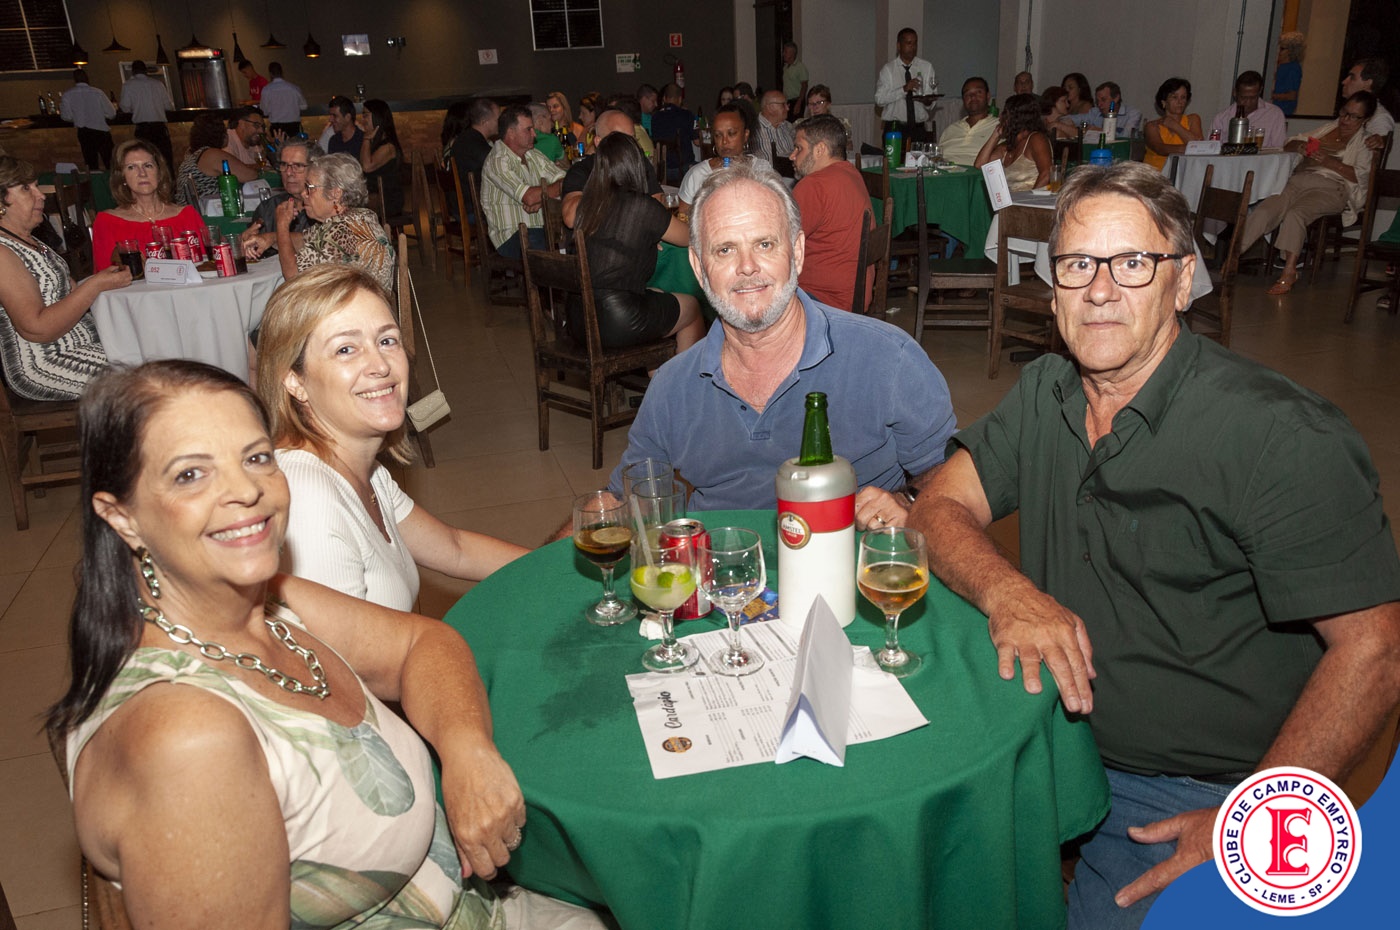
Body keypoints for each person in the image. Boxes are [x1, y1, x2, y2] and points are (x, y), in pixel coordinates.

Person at [906, 160, 1400, 929]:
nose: (1100, 289)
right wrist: (1009, 592)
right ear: (1053, 288)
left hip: (1199, 789)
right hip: (1050, 740)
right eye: (1077, 265)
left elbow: (1377, 649)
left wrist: (1250, 823)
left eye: (1133, 262)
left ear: (1183, 281)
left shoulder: (1279, 436)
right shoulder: (1047, 391)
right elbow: (936, 505)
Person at [48, 359, 606, 930]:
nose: (246, 490)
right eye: (191, 474)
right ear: (121, 517)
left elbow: (423, 643)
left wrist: (467, 752)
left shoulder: (265, 602)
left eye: (256, 457)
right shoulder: (186, 740)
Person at [606, 160, 956, 525]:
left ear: (797, 252)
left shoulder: (887, 358)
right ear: (698, 266)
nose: (747, 266)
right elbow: (623, 500)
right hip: (722, 560)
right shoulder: (672, 386)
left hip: (844, 556)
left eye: (764, 244)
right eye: (725, 250)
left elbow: (954, 476)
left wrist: (908, 500)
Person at [256, 267, 528, 611]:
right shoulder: (307, 496)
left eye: (387, 341)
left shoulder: (366, 472)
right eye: (345, 349)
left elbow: (455, 548)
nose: (381, 365)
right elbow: (348, 647)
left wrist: (560, 568)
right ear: (294, 381)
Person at [0, 157, 128, 400]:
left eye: (36, 186)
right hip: (44, 362)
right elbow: (36, 329)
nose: (41, 195)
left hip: (79, 344)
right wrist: (96, 284)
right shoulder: (2, 252)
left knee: (155, 351)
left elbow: (67, 295)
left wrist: (102, 279)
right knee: (146, 378)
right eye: (26, 188)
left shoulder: (30, 240)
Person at [571, 134, 704, 352]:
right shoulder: (642, 206)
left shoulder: (587, 206)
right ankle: (687, 375)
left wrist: (649, 235)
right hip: (617, 318)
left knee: (658, 295)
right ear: (637, 165)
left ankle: (657, 373)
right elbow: (690, 237)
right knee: (692, 309)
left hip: (579, 319)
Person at [1238, 91, 1377, 296]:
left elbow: (1362, 177)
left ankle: (1289, 271)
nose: (1345, 120)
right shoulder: (1328, 129)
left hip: (1331, 188)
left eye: (1353, 116)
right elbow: (1290, 143)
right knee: (1265, 209)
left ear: (1365, 119)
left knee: (1296, 213)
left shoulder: (1365, 142)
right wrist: (1301, 146)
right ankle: (1232, 258)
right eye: (1344, 112)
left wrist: (1329, 162)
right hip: (1298, 181)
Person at [276, 153, 395, 290]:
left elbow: (293, 276)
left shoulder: (340, 232)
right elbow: (304, 239)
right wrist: (268, 239)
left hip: (353, 303)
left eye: (309, 188)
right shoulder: (362, 216)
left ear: (335, 194)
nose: (304, 194)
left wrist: (282, 225)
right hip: (371, 300)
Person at [792, 115, 871, 312]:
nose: (792, 156)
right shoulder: (852, 173)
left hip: (824, 300)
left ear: (820, 149)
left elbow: (781, 242)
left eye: (799, 148)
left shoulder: (813, 185)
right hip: (856, 295)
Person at [92, 140, 205, 271]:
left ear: (159, 173)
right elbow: (105, 276)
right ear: (122, 177)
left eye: (148, 165)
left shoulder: (186, 215)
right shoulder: (107, 222)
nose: (142, 173)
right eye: (131, 167)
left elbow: (205, 266)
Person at [482, 105, 565, 259]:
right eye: (528, 129)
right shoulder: (498, 161)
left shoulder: (532, 154)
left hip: (540, 230)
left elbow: (565, 179)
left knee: (576, 236)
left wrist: (542, 199)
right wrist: (544, 195)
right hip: (511, 237)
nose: (534, 134)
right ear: (511, 133)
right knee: (550, 246)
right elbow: (529, 197)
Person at [561, 107, 661, 228]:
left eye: (632, 139)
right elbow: (571, 218)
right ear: (599, 142)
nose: (629, 146)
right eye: (619, 140)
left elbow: (658, 203)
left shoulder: (641, 163)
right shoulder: (582, 170)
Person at [241, 139, 320, 260]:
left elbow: (320, 240)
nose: (288, 172)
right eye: (284, 165)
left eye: (298, 166)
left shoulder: (325, 208)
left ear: (316, 169)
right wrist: (246, 242)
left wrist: (273, 238)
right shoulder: (268, 207)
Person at [677, 103, 752, 216]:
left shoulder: (760, 170)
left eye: (731, 134)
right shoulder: (698, 175)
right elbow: (683, 218)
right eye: (718, 135)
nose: (724, 141)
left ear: (745, 135)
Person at [174, 113, 259, 206]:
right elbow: (250, 175)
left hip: (191, 210)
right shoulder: (212, 154)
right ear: (219, 134)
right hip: (205, 211)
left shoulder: (193, 153)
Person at [974, 93, 1053, 191]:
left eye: (1005, 113)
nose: (1000, 117)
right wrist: (996, 135)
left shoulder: (1036, 139)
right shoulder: (1006, 147)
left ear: (1016, 117)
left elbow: (1046, 174)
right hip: (1011, 199)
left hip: (1031, 198)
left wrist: (1028, 198)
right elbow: (979, 165)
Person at [876, 27, 936, 142]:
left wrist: (928, 101)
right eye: (908, 43)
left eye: (915, 43)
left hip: (918, 128)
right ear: (899, 46)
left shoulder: (926, 67)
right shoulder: (888, 69)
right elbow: (879, 99)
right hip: (895, 128)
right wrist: (904, 89)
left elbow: (931, 100)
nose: (912, 47)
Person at [118, 60, 175, 172]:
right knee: (165, 160)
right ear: (146, 71)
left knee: (146, 161)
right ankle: (169, 182)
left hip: (143, 129)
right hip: (159, 128)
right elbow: (169, 106)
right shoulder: (158, 84)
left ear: (133, 71)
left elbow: (125, 108)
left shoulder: (128, 86)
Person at [1208, 70, 1288, 148]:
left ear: (1260, 92)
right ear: (1235, 93)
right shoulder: (1221, 118)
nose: (1248, 103)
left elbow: (1279, 149)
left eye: (1253, 98)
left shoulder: (1274, 114)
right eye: (1243, 98)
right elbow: (1211, 149)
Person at [443, 97, 499, 201]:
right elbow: (499, 166)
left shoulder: (466, 137)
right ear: (484, 122)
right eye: (497, 119)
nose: (500, 123)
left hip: (461, 202)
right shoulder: (475, 144)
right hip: (472, 206)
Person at [60, 69, 115, 170]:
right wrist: (101, 115)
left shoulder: (68, 94)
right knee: (110, 163)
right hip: (101, 131)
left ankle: (94, 179)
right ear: (87, 78)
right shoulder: (98, 92)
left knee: (91, 164)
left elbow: (66, 116)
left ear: (74, 79)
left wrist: (77, 117)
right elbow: (111, 113)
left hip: (84, 132)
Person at [357, 98, 404, 218]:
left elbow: (366, 166)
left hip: (387, 199)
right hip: (376, 195)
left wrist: (366, 138)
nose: (363, 120)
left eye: (365, 115)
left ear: (377, 117)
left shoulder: (388, 146)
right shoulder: (375, 143)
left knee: (356, 203)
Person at [1142, 78, 1203, 170]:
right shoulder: (1152, 126)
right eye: (1174, 97)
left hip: (1184, 172)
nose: (1180, 102)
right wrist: (1189, 149)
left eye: (1183, 97)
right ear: (1164, 102)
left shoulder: (1193, 119)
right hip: (1155, 173)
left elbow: (1199, 146)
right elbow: (1160, 148)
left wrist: (1175, 126)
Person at [938, 77, 998, 166]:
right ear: (963, 100)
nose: (973, 96)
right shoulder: (950, 129)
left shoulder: (999, 127)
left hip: (978, 173)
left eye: (978, 92)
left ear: (988, 96)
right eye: (967, 94)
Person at [650, 82, 696, 183]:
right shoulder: (687, 115)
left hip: (662, 170)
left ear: (664, 98)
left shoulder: (655, 117)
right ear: (680, 99)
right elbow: (696, 142)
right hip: (684, 169)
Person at [1342, 58, 1394, 145]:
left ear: (1368, 83)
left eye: (1352, 77)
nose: (1344, 82)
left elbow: (1376, 150)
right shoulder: (1347, 111)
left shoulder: (1380, 118)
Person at [795, 85, 853, 150]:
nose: (815, 107)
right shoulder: (800, 125)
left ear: (828, 104)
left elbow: (848, 147)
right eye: (811, 104)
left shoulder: (841, 124)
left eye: (819, 102)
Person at [259, 61, 307, 137]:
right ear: (282, 72)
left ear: (270, 74)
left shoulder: (266, 90)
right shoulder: (294, 88)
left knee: (278, 144)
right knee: (294, 144)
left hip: (277, 127)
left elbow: (265, 111)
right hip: (294, 127)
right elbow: (304, 106)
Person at [754, 90, 796, 166]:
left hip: (791, 170)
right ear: (770, 107)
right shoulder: (753, 129)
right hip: (765, 172)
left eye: (787, 104)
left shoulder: (788, 126)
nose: (787, 108)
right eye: (783, 105)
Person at [782, 42, 809, 119]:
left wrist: (799, 102)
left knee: (796, 122)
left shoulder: (800, 67)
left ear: (792, 53)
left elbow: (804, 86)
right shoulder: (785, 67)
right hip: (787, 101)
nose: (783, 54)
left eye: (786, 52)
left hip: (796, 100)